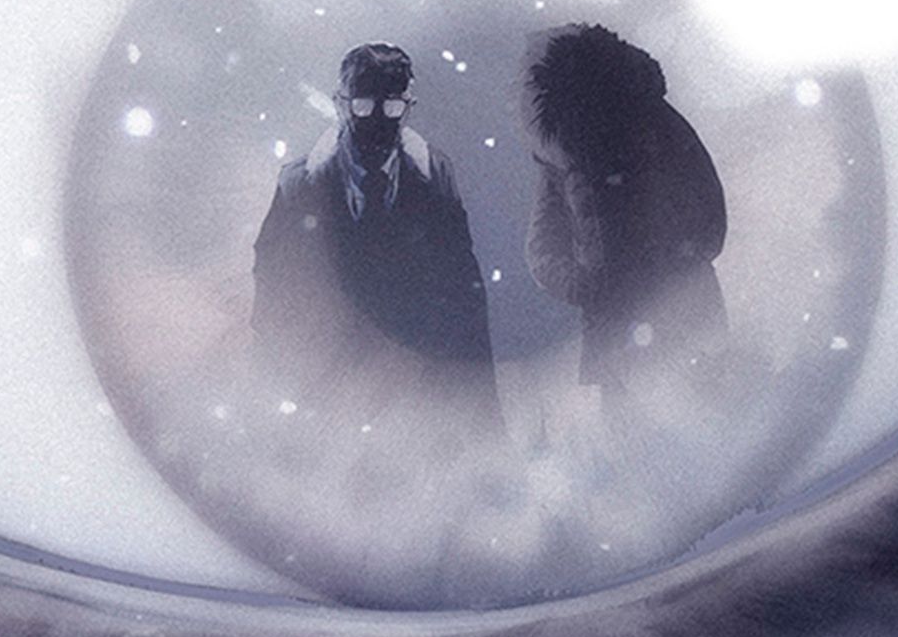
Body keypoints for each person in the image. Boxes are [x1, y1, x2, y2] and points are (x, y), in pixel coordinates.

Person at [251, 42, 501, 426]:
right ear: (340, 104)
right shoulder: (297, 185)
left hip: (417, 386)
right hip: (328, 389)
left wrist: (483, 412)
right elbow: (272, 294)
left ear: (408, 107)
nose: (379, 120)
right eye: (364, 105)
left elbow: (465, 289)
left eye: (393, 106)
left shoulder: (436, 174)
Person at [519, 24, 728, 395]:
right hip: (614, 332)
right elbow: (543, 247)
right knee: (635, 423)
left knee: (707, 411)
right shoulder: (562, 155)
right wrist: (585, 285)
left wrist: (679, 264)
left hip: (680, 316)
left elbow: (708, 207)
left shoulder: (655, 123)